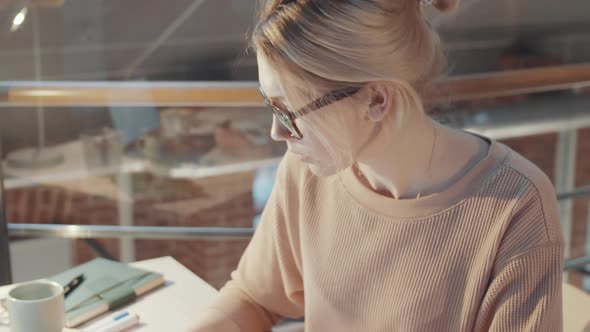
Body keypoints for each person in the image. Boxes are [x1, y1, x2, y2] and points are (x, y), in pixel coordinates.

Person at [191, 0, 564, 331]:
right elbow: (255, 298)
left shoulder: (516, 205)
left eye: (289, 111)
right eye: (271, 105)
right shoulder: (306, 171)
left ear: (376, 100)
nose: (276, 132)